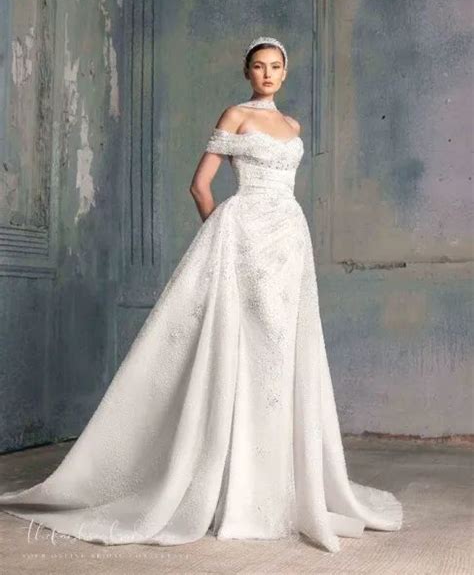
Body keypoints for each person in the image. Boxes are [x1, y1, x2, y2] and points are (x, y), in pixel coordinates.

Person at [0, 36, 402, 553]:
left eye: (275, 66)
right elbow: (200, 185)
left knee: (281, 353)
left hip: (287, 242)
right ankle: (230, 484)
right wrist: (223, 237)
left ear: (286, 70)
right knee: (244, 350)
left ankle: (272, 482)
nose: (267, 74)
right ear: (247, 71)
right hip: (244, 235)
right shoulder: (235, 115)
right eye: (258, 67)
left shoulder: (295, 127)